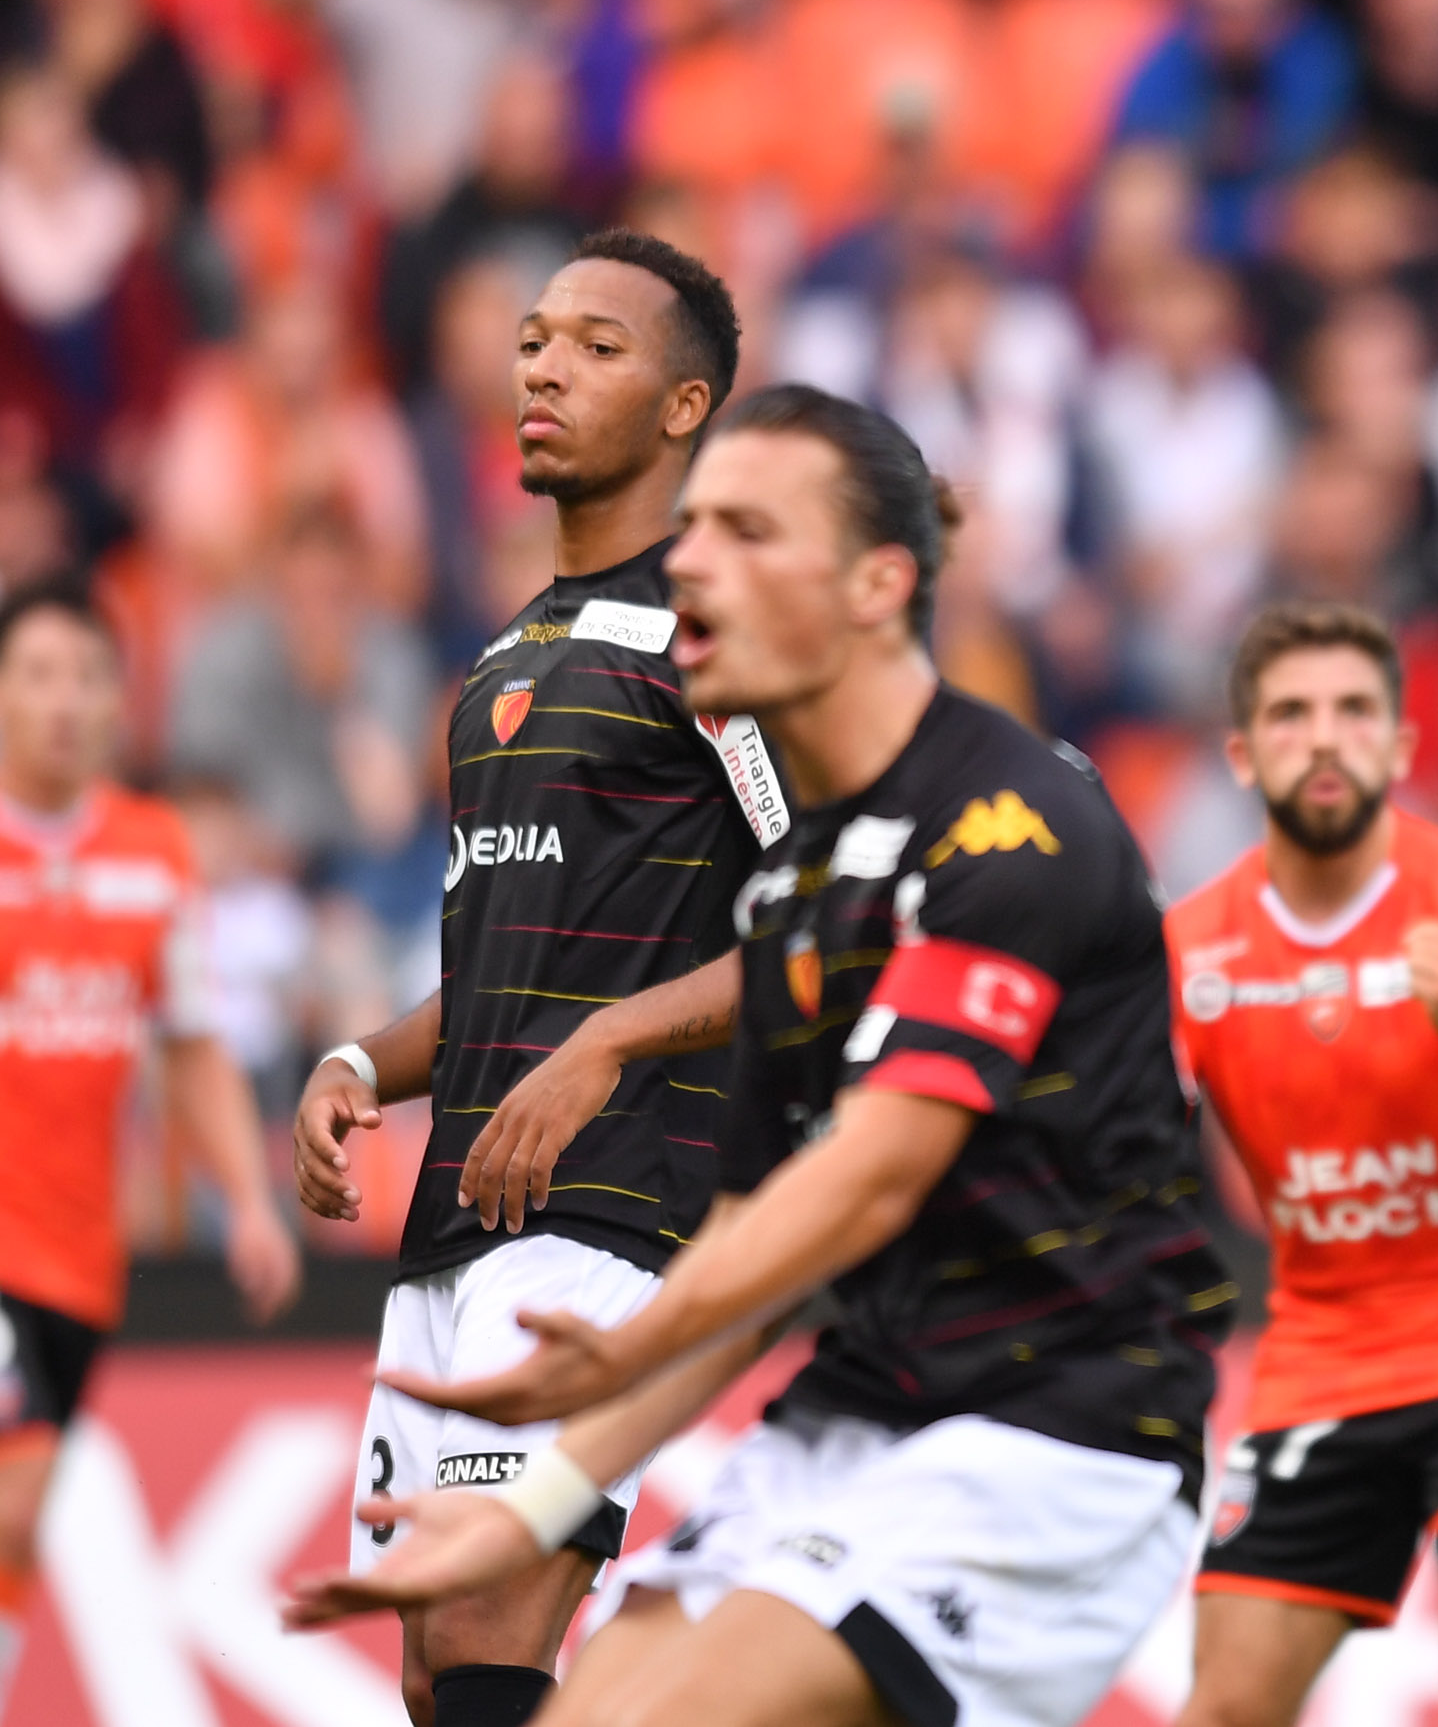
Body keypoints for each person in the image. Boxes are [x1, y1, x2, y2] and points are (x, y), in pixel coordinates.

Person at [285, 385, 1236, 1727]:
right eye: (695, 530)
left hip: (1058, 1431)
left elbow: (867, 1180)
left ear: (875, 586)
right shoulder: (792, 892)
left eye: (746, 532)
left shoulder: (1012, 823)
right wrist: (533, 1504)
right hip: (856, 1410)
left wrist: (613, 1362)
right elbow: (744, 1259)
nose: (690, 564)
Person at [286, 229, 783, 1727]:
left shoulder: (717, 637)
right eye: (533, 342)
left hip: (612, 1206)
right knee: (437, 1669)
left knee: (483, 1612)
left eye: (596, 347)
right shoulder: (506, 656)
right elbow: (496, 964)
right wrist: (359, 1067)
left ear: (685, 408)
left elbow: (838, 916)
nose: (545, 370)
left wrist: (611, 1043)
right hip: (459, 1216)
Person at [1166, 601, 1438, 1727]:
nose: (1324, 737)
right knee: (1222, 1705)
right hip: (1323, 1349)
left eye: (1354, 710)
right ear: (1241, 754)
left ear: (1402, 746)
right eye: (1291, 714)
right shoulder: (1192, 947)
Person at [0, 584, 302, 1716]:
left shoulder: (153, 854)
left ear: (119, 701)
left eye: (86, 676)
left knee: (20, 1519)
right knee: (17, 1492)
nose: (62, 701)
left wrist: (251, 1202)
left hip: (81, 1255)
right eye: (37, 674)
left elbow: (190, 1047)